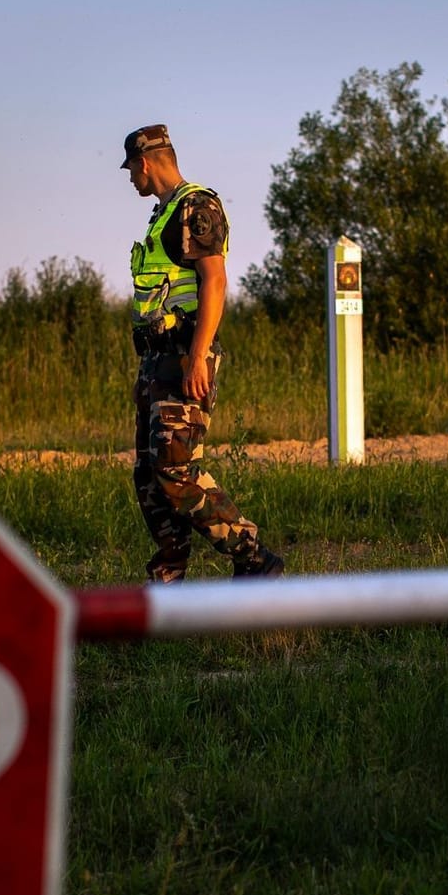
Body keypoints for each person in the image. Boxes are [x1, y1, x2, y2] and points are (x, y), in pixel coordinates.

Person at [120, 124, 283, 582]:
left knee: (177, 471)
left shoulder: (196, 206)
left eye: (131, 169)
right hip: (157, 360)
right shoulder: (163, 213)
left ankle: (253, 557)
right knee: (150, 476)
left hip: (184, 356)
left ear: (145, 162)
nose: (131, 178)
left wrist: (198, 356)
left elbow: (215, 279)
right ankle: (168, 577)